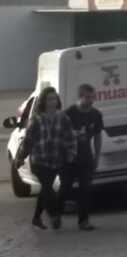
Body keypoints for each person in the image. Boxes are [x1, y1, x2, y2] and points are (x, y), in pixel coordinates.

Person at [15, 87, 76, 230]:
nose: (52, 102)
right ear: (43, 101)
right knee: (48, 188)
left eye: (54, 99)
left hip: (57, 159)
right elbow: (28, 141)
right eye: (49, 99)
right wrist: (20, 158)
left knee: (51, 189)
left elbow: (70, 137)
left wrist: (71, 153)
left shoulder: (63, 118)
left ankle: (37, 218)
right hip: (40, 160)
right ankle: (55, 215)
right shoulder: (36, 120)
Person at [62, 84, 104, 231]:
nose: (91, 100)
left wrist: (97, 157)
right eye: (87, 97)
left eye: (93, 97)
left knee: (85, 189)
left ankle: (84, 221)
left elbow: (98, 137)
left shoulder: (96, 115)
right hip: (69, 159)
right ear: (80, 97)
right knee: (65, 188)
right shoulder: (68, 114)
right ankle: (55, 213)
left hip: (86, 158)